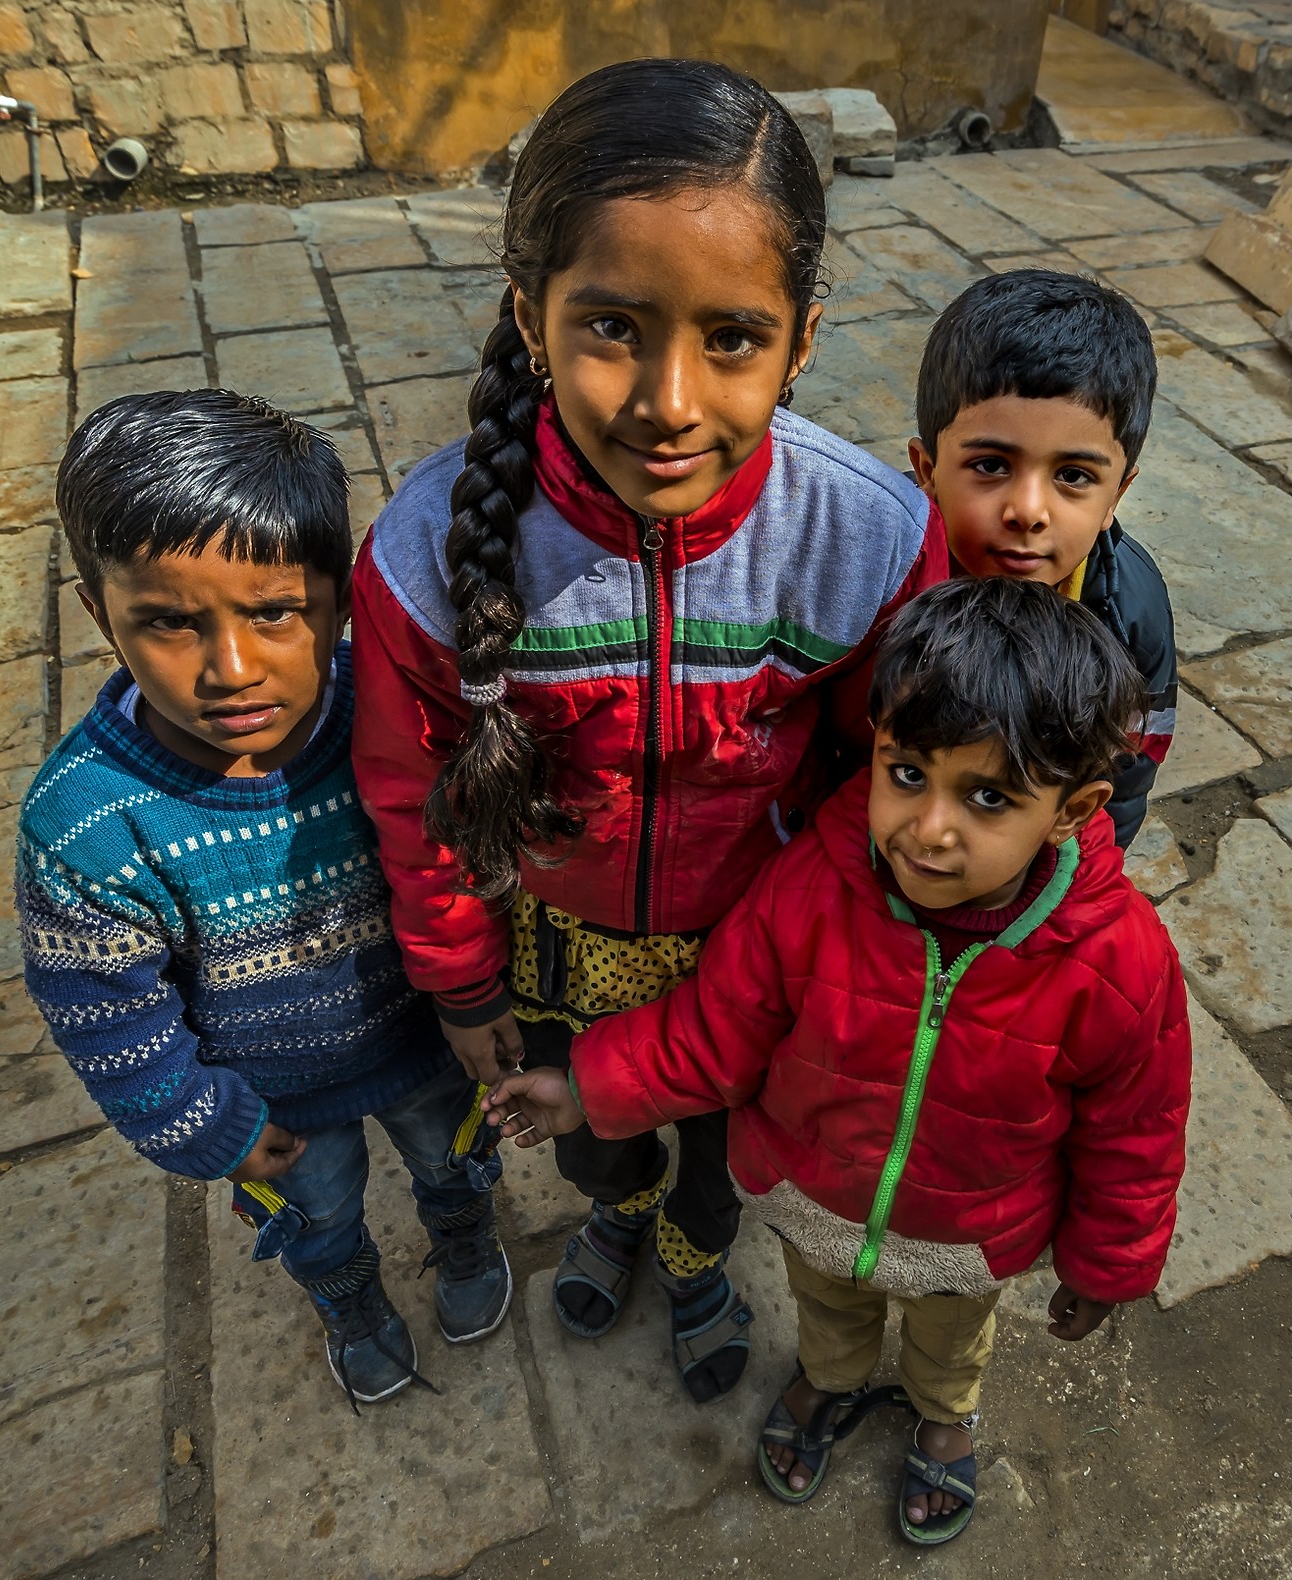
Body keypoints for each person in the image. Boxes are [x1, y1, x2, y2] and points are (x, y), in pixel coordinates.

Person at [351, 58, 943, 1405]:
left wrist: (834, 944)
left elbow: (881, 772)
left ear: (802, 336)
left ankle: (692, 1254)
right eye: (612, 325)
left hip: (758, 951)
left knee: (727, 1153)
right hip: (550, 955)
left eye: (732, 337)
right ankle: (622, 1211)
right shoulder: (430, 559)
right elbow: (412, 793)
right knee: (593, 1139)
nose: (670, 402)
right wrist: (463, 986)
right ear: (529, 312)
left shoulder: (868, 542)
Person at [486, 577, 1192, 1547]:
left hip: (969, 1239)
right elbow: (716, 1025)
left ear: (1075, 808)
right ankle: (832, 1376)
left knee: (951, 1344)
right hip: (812, 1200)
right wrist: (588, 1085)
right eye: (907, 772)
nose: (929, 825)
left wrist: (1110, 1264)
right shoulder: (811, 885)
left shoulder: (1118, 959)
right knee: (830, 1314)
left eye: (988, 795)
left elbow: (1137, 1134)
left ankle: (944, 1414)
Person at [16, 390, 511, 1412]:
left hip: (426, 1047)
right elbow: (105, 1009)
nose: (231, 668)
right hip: (273, 1106)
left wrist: (486, 996)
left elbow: (471, 854)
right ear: (98, 612)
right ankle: (354, 1305)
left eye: (275, 611)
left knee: (456, 1165)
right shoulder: (85, 824)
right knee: (318, 1217)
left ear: (339, 596)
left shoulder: (395, 707)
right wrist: (206, 1123)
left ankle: (463, 1243)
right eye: (166, 622)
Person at [907, 269, 1178, 850]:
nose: (1028, 512)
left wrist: (1087, 871)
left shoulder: (1128, 611)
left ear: (1117, 496)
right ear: (927, 471)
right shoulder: (883, 574)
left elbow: (1126, 774)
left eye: (1074, 477)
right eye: (990, 465)